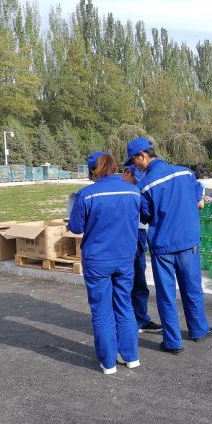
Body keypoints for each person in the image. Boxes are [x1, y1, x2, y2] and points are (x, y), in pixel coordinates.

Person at [124, 138, 212, 355]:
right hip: (188, 243)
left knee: (166, 295)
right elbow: (198, 193)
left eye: (133, 161)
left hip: (163, 246)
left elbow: (145, 216)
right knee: (192, 288)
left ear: (142, 156)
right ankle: (199, 330)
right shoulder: (185, 172)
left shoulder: (145, 186)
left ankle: (173, 342)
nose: (134, 166)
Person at [68, 152, 141, 374]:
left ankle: (108, 362)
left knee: (101, 310)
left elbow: (76, 227)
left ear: (94, 171)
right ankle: (131, 356)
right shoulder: (133, 191)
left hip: (98, 259)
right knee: (125, 305)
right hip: (125, 257)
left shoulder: (86, 194)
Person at [121, 165, 162, 333]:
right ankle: (127, 321)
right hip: (127, 234)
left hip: (139, 232)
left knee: (138, 277)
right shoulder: (120, 189)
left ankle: (140, 319)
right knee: (126, 279)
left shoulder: (139, 186)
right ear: (127, 173)